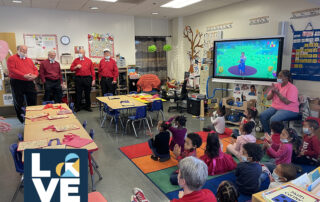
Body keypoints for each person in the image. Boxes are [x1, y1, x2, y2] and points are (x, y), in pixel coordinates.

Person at [131, 157, 217, 202]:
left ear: (183, 181)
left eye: (179, 173)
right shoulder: (210, 195)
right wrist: (183, 198)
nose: (177, 174)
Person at [260, 70, 299, 134]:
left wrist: (278, 93)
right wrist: (272, 92)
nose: (278, 77)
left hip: (289, 109)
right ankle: (268, 134)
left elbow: (287, 102)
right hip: (276, 107)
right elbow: (268, 98)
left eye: (280, 76)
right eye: (278, 76)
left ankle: (276, 137)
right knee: (262, 115)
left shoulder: (292, 88)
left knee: (273, 119)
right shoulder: (276, 85)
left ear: (286, 78)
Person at [7, 45, 38, 123]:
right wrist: (23, 75)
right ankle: (22, 119)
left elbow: (35, 69)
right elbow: (12, 69)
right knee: (19, 101)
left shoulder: (29, 60)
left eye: (26, 50)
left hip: (29, 81)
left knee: (32, 99)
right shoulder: (12, 58)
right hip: (17, 82)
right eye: (22, 49)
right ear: (18, 50)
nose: (24, 51)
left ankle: (32, 117)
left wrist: (35, 75)